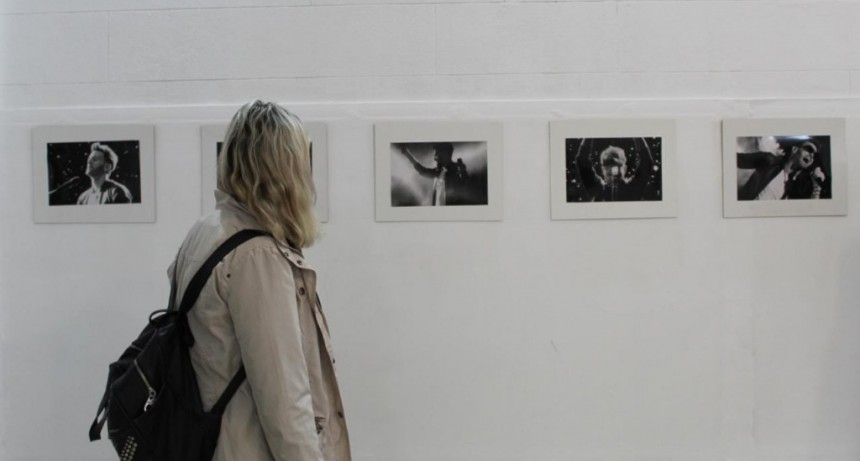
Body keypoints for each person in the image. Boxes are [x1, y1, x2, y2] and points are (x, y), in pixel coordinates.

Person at [168, 101, 351, 461]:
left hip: (208, 443)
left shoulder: (206, 231)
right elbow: (284, 400)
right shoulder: (257, 255)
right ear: (284, 170)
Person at [736, 139, 826, 200]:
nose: (811, 156)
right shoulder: (769, 161)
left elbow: (810, 210)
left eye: (815, 155)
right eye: (809, 150)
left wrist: (816, 186)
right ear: (794, 149)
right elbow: (736, 159)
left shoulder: (795, 187)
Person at [398, 142, 469, 205]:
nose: (435, 158)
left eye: (437, 155)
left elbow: (464, 191)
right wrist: (407, 153)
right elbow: (423, 171)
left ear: (445, 154)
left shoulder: (457, 171)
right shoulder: (440, 172)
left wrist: (463, 174)